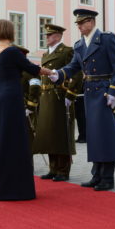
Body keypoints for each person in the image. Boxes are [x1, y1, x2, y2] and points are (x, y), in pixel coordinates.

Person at [50, 9, 115, 191]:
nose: (78, 26)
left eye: (81, 23)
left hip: (104, 91)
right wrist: (59, 74)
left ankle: (107, 177)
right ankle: (97, 175)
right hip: (89, 92)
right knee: (94, 135)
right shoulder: (79, 45)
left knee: (107, 135)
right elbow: (74, 66)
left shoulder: (107, 39)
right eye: (77, 23)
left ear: (91, 22)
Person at [0, 19, 52, 200]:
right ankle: (16, 188)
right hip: (11, 98)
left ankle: (0, 186)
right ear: (10, 31)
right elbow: (33, 69)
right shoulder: (12, 51)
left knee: (1, 139)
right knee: (14, 141)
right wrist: (53, 72)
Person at [33, 24, 81, 182]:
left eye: (49, 35)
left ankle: (63, 170)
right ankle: (53, 168)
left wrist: (71, 94)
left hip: (60, 97)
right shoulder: (45, 54)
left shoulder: (67, 51)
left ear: (58, 36)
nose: (46, 37)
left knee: (61, 134)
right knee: (49, 133)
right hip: (46, 97)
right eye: (46, 35)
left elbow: (77, 73)